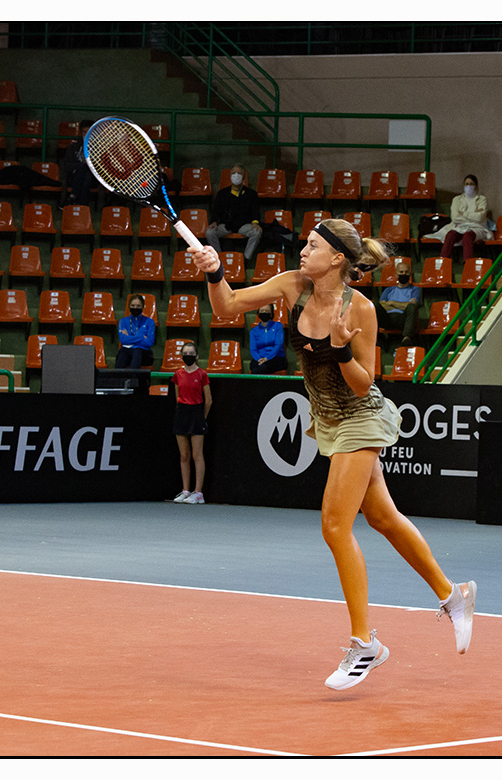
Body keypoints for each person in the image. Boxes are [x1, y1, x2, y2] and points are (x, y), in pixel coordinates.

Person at [192, 217, 477, 690]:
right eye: (305, 244)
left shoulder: (360, 308)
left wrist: (342, 350)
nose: (303, 251)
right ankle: (454, 595)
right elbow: (227, 306)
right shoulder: (292, 286)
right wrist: (214, 272)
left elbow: (364, 383)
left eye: (312, 245)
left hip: (361, 416)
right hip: (326, 417)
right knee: (383, 517)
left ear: (337, 258)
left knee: (334, 525)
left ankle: (365, 643)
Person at [171, 341, 212, 505]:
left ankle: (198, 493)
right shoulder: (177, 374)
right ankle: (186, 490)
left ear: (197, 356)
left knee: (197, 455)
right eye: (185, 353)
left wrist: (202, 417)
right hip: (182, 413)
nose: (188, 356)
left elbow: (208, 400)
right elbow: (177, 396)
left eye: (191, 353)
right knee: (184, 455)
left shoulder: (202, 374)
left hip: (197, 414)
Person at [424, 174, 492, 260]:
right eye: (466, 184)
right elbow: (455, 218)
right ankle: (443, 261)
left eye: (471, 184)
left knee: (467, 236)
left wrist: (463, 213)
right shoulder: (457, 199)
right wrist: (473, 215)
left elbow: (479, 217)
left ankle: (467, 263)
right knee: (450, 235)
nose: (469, 186)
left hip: (477, 228)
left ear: (476, 186)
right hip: (459, 226)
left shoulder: (482, 199)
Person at [206, 164, 263, 263]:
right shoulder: (222, 193)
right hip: (226, 225)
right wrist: (214, 221)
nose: (236, 175)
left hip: (243, 225)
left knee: (257, 232)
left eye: (239, 173)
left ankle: (245, 259)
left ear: (244, 177)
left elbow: (255, 211)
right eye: (234, 173)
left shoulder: (251, 194)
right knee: (209, 232)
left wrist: (255, 222)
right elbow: (216, 210)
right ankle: (218, 258)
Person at [377, 257, 422, 346]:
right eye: (401, 272)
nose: (404, 274)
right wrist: (404, 305)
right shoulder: (388, 290)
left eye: (406, 272)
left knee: (412, 307)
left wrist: (392, 303)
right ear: (396, 274)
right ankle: (377, 338)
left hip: (403, 319)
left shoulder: (415, 289)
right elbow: (382, 304)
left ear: (410, 274)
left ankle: (406, 338)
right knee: (375, 306)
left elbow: (412, 306)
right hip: (388, 318)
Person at [114, 294, 156, 369]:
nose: (135, 308)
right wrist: (141, 337)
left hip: (144, 353)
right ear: (129, 306)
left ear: (143, 307)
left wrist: (129, 337)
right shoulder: (123, 321)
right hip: (127, 350)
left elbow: (149, 342)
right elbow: (123, 340)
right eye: (132, 305)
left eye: (138, 306)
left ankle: (133, 376)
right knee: (122, 353)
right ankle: (117, 376)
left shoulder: (150, 322)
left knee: (137, 351)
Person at [249, 303, 287, 374]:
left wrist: (267, 358)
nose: (264, 313)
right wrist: (259, 359)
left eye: (266, 311)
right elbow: (253, 349)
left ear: (271, 314)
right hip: (259, 358)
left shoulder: (278, 326)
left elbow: (278, 345)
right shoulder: (254, 331)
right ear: (258, 313)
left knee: (260, 369)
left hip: (277, 358)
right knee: (254, 366)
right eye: (262, 311)